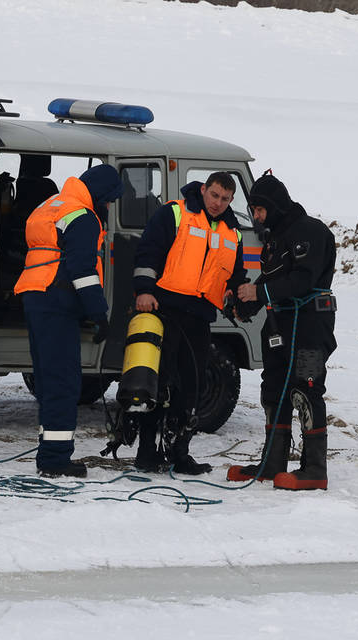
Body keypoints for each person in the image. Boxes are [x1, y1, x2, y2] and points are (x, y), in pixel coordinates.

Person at [227, 172, 337, 490]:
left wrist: (259, 294)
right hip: (281, 322)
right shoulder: (276, 238)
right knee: (273, 388)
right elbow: (272, 278)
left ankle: (314, 468)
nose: (256, 217)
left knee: (306, 387)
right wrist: (245, 303)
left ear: (273, 205)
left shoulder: (310, 231)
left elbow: (303, 278)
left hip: (311, 323)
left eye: (259, 210)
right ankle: (272, 462)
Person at [133, 172, 246, 475]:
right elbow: (148, 252)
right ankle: (147, 453)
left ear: (231, 200)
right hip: (165, 310)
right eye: (214, 195)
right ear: (204, 190)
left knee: (191, 388)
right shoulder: (175, 213)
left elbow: (234, 278)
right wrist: (144, 290)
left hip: (199, 317)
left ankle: (179, 453)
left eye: (224, 199)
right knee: (159, 384)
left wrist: (237, 300)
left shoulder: (233, 233)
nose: (218, 203)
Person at [14, 164, 123, 477]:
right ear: (101, 193)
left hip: (35, 295)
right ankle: (55, 458)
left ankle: (50, 450)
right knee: (63, 381)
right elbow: (82, 270)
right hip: (57, 299)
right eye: (111, 199)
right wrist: (99, 313)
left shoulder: (52, 204)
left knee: (49, 380)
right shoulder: (84, 217)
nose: (111, 205)